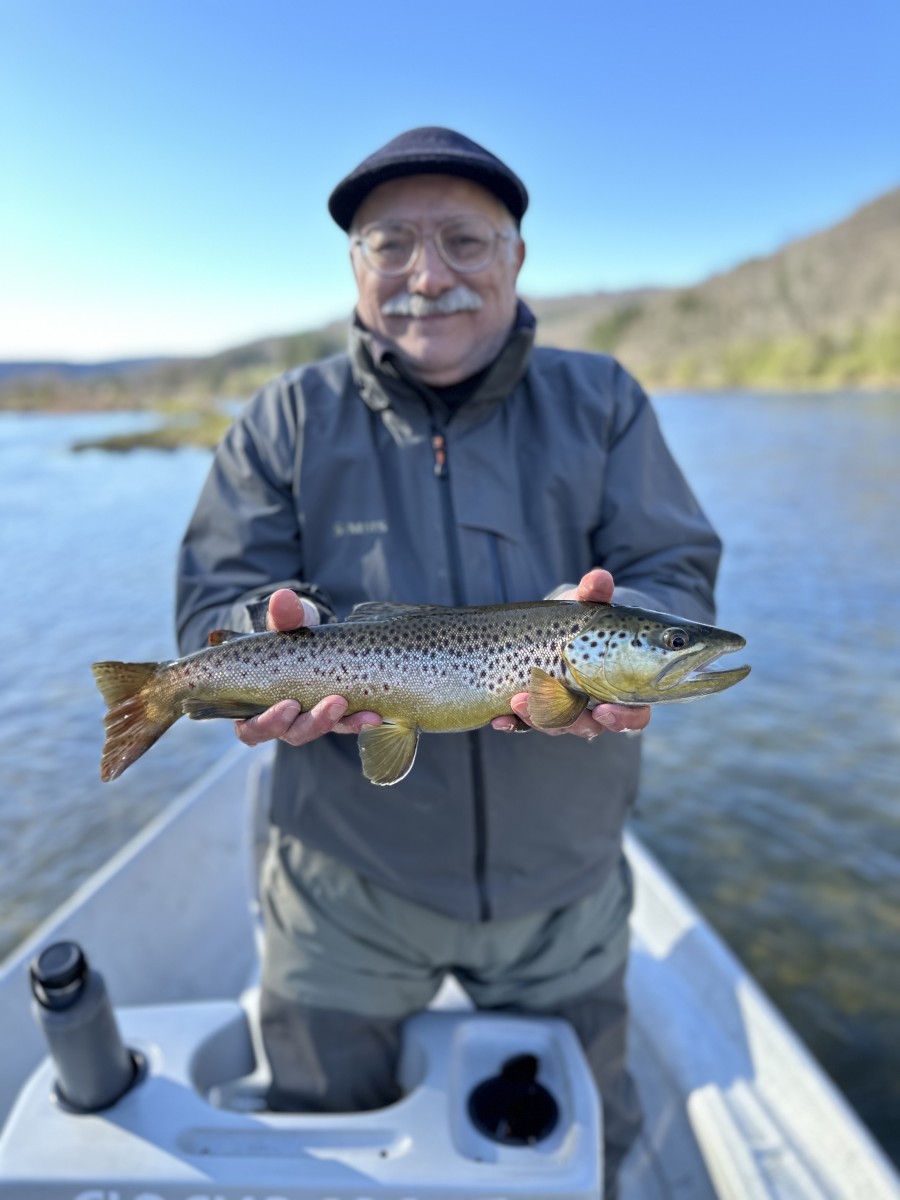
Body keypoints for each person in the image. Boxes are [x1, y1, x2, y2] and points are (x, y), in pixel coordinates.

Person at [176, 126, 722, 1195]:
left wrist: (638, 615)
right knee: (323, 1153)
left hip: (564, 886)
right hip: (341, 884)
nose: (429, 274)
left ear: (517, 258)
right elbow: (212, 603)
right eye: (393, 245)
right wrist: (263, 637)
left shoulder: (604, 402)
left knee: (584, 1145)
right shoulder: (282, 421)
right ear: (356, 268)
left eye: (465, 241)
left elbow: (672, 569)